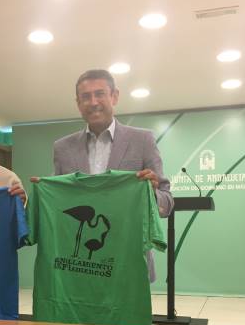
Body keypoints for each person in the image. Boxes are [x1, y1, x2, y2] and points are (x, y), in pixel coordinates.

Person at [52, 69, 173, 280]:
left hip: (130, 263)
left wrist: (152, 194)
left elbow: (167, 203)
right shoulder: (62, 148)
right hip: (81, 265)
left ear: (114, 96)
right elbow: (58, 203)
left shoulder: (143, 141)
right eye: (85, 96)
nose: (93, 102)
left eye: (100, 94)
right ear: (78, 103)